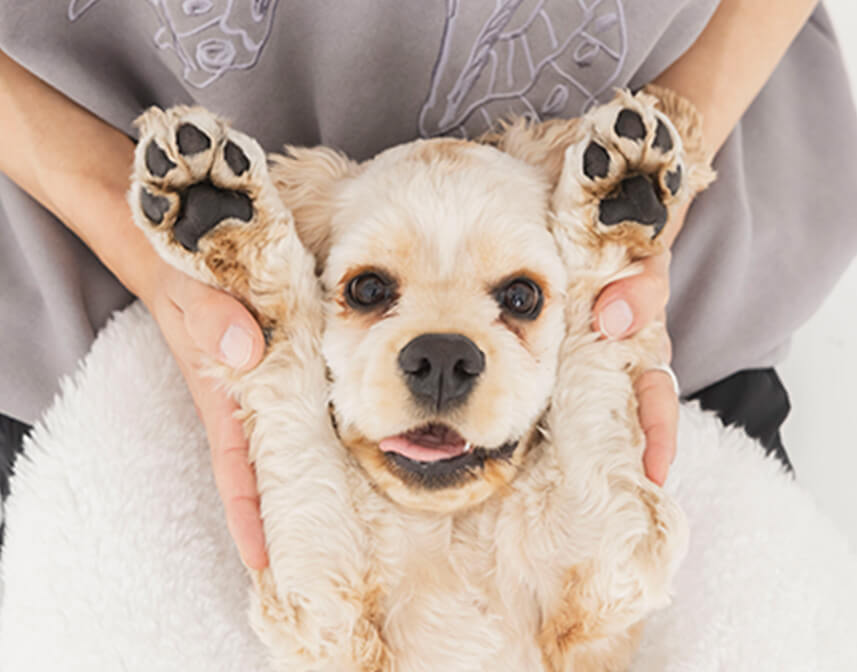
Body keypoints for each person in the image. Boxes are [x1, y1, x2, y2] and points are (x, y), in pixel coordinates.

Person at [1, 0, 853, 567]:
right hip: (81, 326)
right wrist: (136, 232)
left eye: (514, 298)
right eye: (369, 290)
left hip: (647, 325)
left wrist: (661, 164)